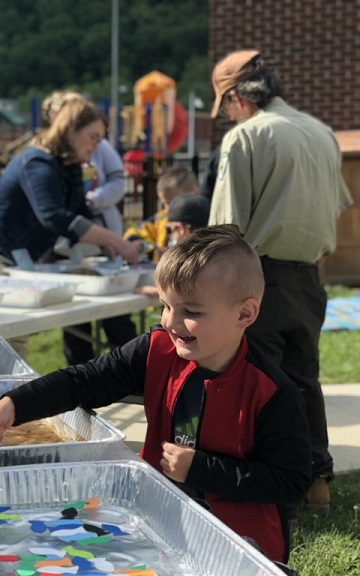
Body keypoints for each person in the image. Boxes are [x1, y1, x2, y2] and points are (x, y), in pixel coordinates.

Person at [0, 225, 312, 565]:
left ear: (245, 314)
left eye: (191, 312)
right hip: (160, 525)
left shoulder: (272, 392)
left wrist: (201, 469)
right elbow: (83, 380)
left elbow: (292, 481)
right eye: (166, 305)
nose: (171, 321)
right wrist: (16, 402)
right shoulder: (156, 351)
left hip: (239, 548)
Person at [208, 50, 353, 513]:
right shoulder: (321, 133)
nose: (226, 115)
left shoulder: (245, 137)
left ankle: (268, 492)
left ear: (237, 98)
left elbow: (226, 229)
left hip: (259, 276)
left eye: (224, 106)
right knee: (302, 380)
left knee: (256, 382)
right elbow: (337, 205)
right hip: (310, 276)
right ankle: (316, 484)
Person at [0, 99, 140, 357]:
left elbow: (79, 210)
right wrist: (117, 242)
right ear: (71, 130)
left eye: (100, 139)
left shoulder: (70, 166)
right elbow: (54, 217)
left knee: (13, 337)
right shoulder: (37, 163)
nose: (96, 146)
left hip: (12, 254)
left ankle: (5, 395)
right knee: (0, 337)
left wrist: (105, 242)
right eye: (93, 137)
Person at [38, 90, 139, 364]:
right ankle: (82, 378)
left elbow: (117, 183)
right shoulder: (52, 159)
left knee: (116, 318)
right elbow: (58, 212)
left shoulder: (97, 147)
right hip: (69, 248)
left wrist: (95, 201)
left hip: (100, 240)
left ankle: (131, 374)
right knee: (76, 324)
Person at [135, 194, 210, 299]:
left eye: (170, 230)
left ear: (181, 229)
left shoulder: (197, 260)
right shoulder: (214, 252)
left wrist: (160, 292)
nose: (170, 236)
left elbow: (195, 292)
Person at [124, 165, 199, 261]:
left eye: (174, 202)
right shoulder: (161, 219)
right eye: (164, 203)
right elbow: (135, 231)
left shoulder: (207, 220)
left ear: (194, 193)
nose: (168, 209)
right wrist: (148, 247)